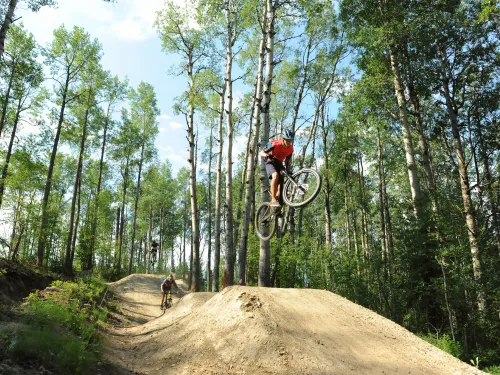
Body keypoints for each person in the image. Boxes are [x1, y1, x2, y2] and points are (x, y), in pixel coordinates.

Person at [259, 128, 295, 207]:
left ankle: (278, 208)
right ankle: (273, 200)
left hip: (279, 164)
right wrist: (267, 155)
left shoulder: (290, 149)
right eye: (287, 140)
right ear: (283, 139)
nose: (289, 143)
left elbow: (288, 160)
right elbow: (261, 152)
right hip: (270, 162)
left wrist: (287, 169)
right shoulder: (274, 144)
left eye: (290, 141)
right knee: (275, 176)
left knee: (281, 185)